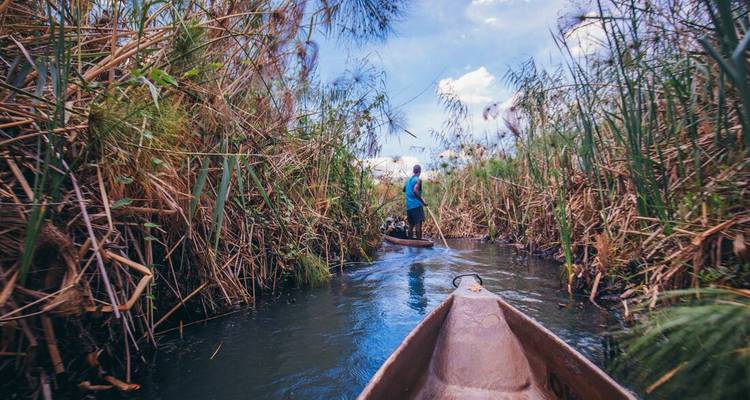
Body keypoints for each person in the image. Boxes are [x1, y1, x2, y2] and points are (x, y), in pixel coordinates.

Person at [403, 164, 428, 239]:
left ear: (413, 171)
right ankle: (419, 244)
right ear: (420, 171)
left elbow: (404, 189)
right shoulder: (418, 180)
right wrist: (423, 201)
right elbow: (415, 190)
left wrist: (408, 185)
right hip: (416, 205)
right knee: (418, 226)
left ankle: (410, 243)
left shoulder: (408, 181)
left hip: (409, 207)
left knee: (411, 226)